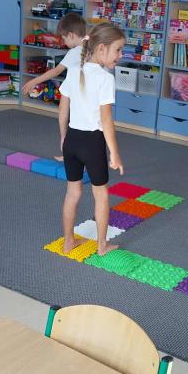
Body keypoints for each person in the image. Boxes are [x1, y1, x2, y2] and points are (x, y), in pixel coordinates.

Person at [58, 23, 125, 257]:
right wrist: (114, 153)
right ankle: (102, 246)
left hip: (72, 139)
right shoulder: (105, 79)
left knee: (72, 193)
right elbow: (106, 121)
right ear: (102, 49)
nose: (120, 55)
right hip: (92, 143)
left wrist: (64, 137)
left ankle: (68, 242)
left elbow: (63, 109)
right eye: (118, 50)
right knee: (101, 194)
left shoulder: (74, 71)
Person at [22, 12, 88, 97]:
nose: (64, 42)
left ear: (70, 35)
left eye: (64, 39)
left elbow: (56, 71)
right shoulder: (91, 47)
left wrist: (34, 81)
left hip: (78, 94)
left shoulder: (74, 52)